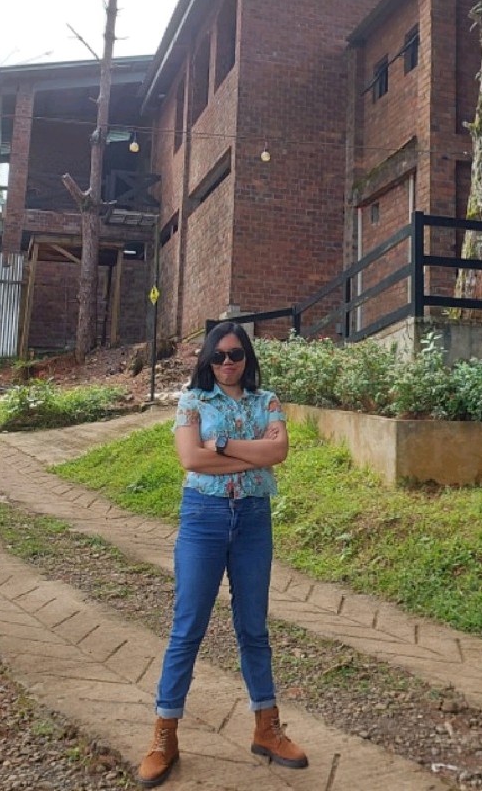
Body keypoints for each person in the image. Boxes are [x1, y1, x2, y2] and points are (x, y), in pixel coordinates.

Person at [136, 322, 308, 787]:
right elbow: (191, 459)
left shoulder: (266, 400)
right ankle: (164, 735)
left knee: (254, 627)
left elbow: (279, 451)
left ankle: (267, 728)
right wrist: (254, 455)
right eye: (219, 355)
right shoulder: (193, 401)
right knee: (187, 626)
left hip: (253, 518)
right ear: (207, 360)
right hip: (204, 517)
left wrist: (225, 446)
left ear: (247, 357)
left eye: (235, 354)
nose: (228, 363)